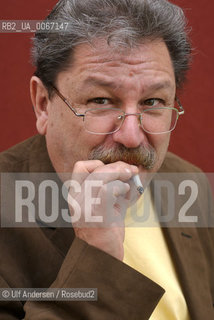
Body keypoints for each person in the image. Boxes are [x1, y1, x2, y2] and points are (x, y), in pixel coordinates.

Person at [0, 0, 213, 319]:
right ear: (43, 104)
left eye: (153, 101)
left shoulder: (187, 183)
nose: (131, 135)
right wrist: (97, 256)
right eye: (101, 100)